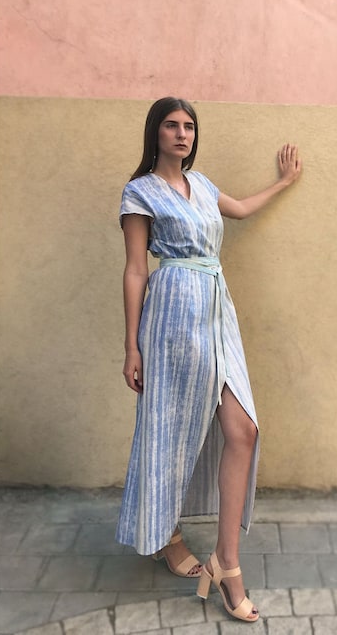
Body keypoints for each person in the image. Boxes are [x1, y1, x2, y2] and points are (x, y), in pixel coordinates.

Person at [116, 97, 302, 623]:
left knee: (243, 429)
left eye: (190, 127)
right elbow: (135, 269)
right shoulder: (139, 192)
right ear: (156, 133)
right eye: (172, 126)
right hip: (172, 315)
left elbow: (238, 208)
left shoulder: (201, 185)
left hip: (217, 310)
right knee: (169, 429)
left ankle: (225, 560)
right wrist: (132, 345)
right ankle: (168, 535)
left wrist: (283, 182)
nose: (182, 134)